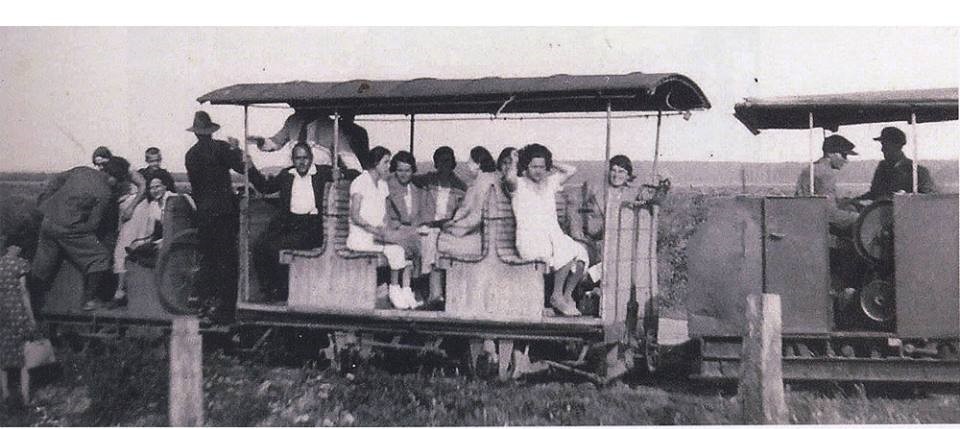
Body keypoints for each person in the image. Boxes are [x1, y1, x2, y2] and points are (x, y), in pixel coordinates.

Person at [247, 143, 346, 302]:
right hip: (289, 224)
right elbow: (266, 187)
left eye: (305, 158)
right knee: (259, 246)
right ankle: (268, 290)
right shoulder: (287, 175)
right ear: (293, 160)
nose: (302, 162)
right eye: (298, 158)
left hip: (312, 226)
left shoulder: (322, 173)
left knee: (276, 248)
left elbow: (353, 173)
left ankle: (283, 292)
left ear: (311, 158)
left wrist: (340, 173)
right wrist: (251, 168)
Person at [32, 157, 130, 311]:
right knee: (100, 257)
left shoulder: (82, 170)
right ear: (113, 177)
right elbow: (93, 224)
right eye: (118, 180)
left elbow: (56, 180)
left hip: (48, 221)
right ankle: (88, 301)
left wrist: (46, 203)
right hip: (68, 229)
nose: (117, 184)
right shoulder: (105, 193)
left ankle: (32, 302)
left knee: (43, 264)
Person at [505, 143, 588, 316]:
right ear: (526, 166)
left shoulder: (550, 182)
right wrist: (515, 161)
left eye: (542, 167)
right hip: (530, 239)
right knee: (566, 252)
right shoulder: (519, 185)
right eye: (534, 166)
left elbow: (571, 170)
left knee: (580, 254)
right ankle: (556, 295)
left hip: (553, 236)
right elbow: (509, 179)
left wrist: (549, 160)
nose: (538, 171)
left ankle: (566, 296)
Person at [184, 111, 244, 322]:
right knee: (227, 261)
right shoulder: (221, 148)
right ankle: (225, 309)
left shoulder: (190, 155)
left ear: (196, 133)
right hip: (224, 212)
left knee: (209, 259)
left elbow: (197, 186)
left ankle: (206, 303)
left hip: (204, 213)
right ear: (211, 130)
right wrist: (236, 149)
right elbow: (242, 166)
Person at [347, 146, 416, 309]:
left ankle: (403, 289)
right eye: (385, 162)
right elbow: (355, 215)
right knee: (397, 248)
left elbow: (385, 214)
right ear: (375, 163)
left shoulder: (383, 185)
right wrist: (374, 230)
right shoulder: (360, 182)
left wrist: (387, 229)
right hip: (361, 237)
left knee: (405, 244)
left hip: (378, 235)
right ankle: (395, 290)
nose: (388, 166)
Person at [412, 146, 467, 307]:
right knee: (428, 238)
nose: (444, 165)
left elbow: (460, 214)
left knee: (434, 240)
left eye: (448, 161)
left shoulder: (460, 187)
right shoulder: (428, 180)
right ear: (436, 163)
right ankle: (432, 292)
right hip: (426, 225)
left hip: (446, 227)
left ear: (453, 163)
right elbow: (406, 178)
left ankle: (430, 289)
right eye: (441, 161)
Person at [0, 240, 43, 399]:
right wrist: (31, 317)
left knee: (2, 352)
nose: (20, 248)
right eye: (18, 245)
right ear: (13, 246)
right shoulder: (20, 264)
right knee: (24, 354)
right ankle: (25, 397)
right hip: (17, 310)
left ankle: (5, 393)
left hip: (2, 311)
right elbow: (24, 291)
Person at [795, 134, 861, 233]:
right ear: (830, 154)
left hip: (803, 221)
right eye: (844, 155)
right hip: (817, 228)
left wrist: (844, 202)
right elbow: (830, 214)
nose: (846, 160)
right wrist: (862, 217)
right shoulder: (825, 173)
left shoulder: (813, 168)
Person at [855, 126, 937, 201]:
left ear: (897, 146)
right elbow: (874, 194)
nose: (882, 149)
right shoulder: (882, 167)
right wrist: (854, 201)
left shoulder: (917, 171)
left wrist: (898, 199)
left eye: (885, 145)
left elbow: (928, 199)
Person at [384, 151, 430, 267]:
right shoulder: (387, 188)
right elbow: (385, 216)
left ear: (412, 171)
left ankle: (419, 275)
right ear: (394, 170)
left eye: (407, 170)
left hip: (414, 230)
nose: (404, 174)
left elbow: (422, 214)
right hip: (394, 231)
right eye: (400, 170)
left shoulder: (417, 189)